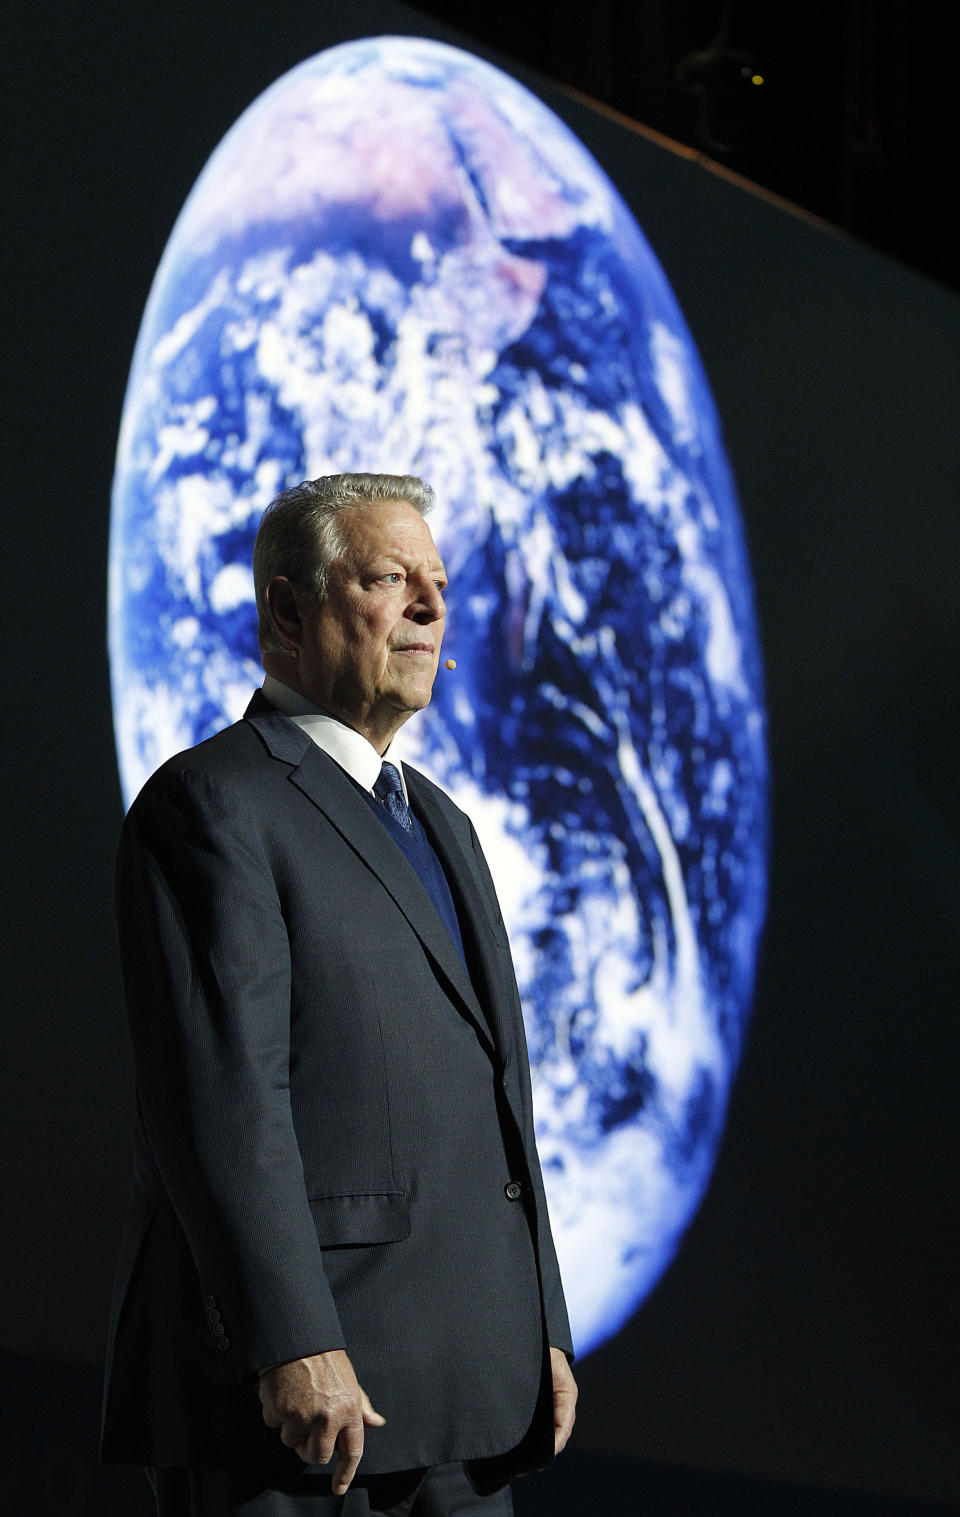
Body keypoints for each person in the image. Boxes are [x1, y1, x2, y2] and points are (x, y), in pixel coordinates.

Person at [102, 474, 577, 1516]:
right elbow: (223, 1102)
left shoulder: (443, 822)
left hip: (470, 1395)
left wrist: (540, 1320)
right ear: (287, 611)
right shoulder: (213, 802)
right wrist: (294, 1338)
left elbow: (502, 1096)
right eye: (387, 577)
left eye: (438, 584)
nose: (429, 606)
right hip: (302, 1408)